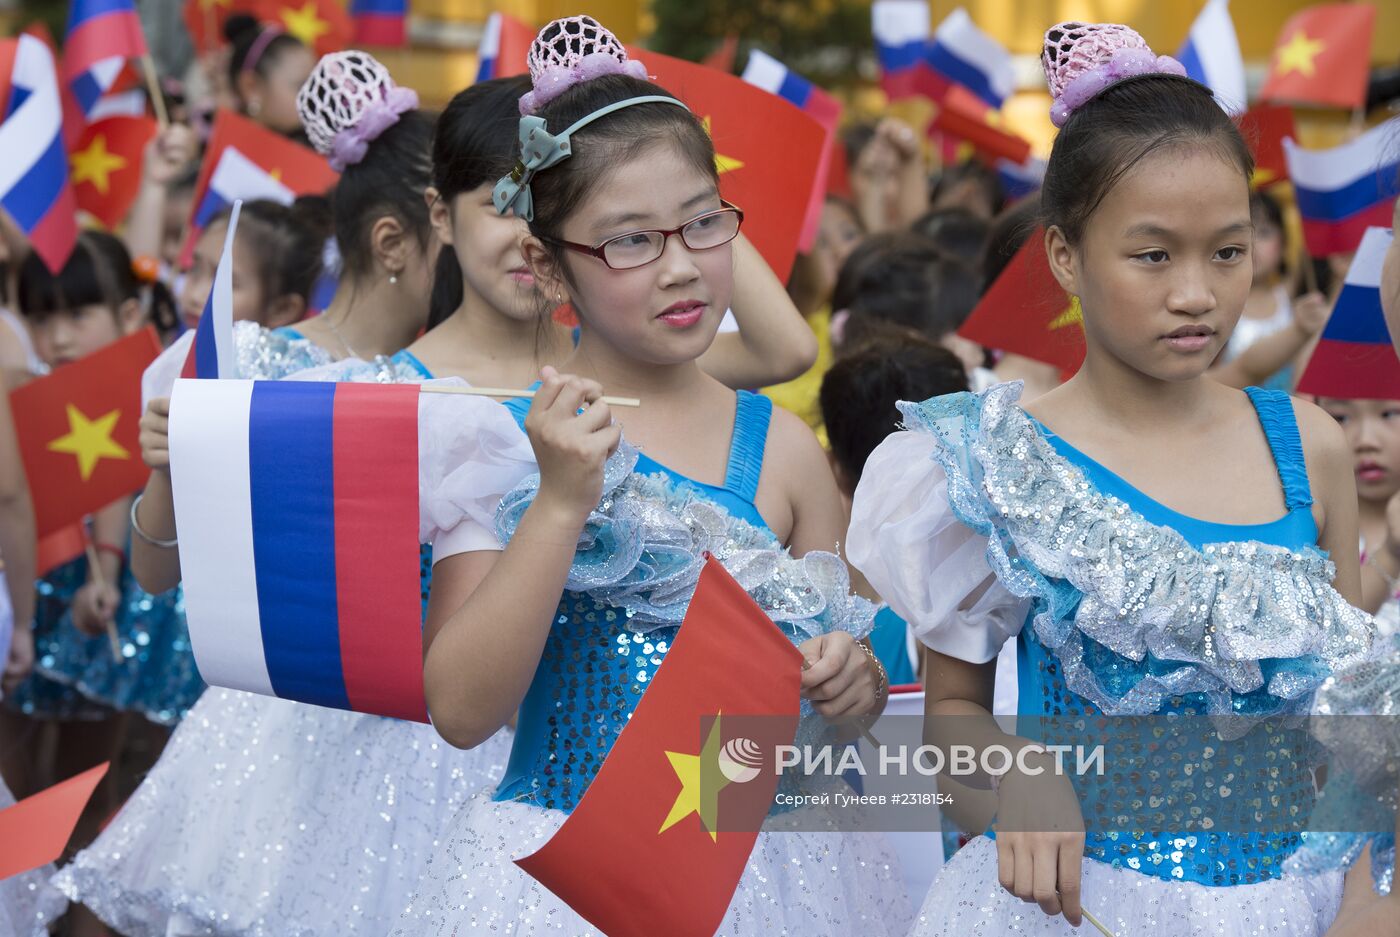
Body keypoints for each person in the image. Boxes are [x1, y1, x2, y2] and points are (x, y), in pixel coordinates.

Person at [849, 22, 1373, 934]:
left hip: (1285, 907)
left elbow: (1357, 730)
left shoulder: (1311, 447)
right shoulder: (996, 460)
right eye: (1153, 254)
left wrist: (1366, 903)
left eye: (1229, 250)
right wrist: (1014, 777)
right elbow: (952, 724)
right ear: (1065, 256)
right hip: (1076, 910)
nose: (1197, 293)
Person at [399, 18, 911, 934]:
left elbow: (846, 702)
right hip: (569, 873)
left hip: (775, 872)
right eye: (631, 242)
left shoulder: (786, 450)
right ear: (551, 268)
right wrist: (560, 503)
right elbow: (463, 707)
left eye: (703, 224)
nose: (681, 267)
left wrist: (853, 685)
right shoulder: (503, 441)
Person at [223, 14, 315, 139]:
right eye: (300, 86)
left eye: (316, 83)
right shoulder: (228, 152)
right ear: (251, 88)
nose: (315, 96)